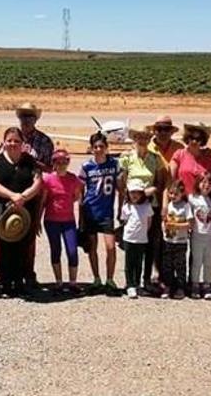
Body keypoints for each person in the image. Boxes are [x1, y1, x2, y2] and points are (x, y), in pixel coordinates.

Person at [0, 127, 43, 297]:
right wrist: (12, 196)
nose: (13, 144)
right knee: (4, 246)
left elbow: (38, 182)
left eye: (16, 141)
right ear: (4, 142)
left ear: (22, 144)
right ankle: (5, 282)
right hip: (2, 212)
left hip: (25, 211)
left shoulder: (29, 161)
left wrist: (24, 197)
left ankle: (19, 282)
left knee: (23, 246)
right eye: (9, 140)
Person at [119, 127, 166, 291]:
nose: (142, 140)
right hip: (132, 204)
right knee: (132, 243)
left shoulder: (155, 158)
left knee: (150, 244)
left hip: (150, 206)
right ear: (135, 139)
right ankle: (131, 280)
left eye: (145, 137)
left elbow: (160, 181)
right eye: (139, 137)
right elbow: (121, 182)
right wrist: (121, 206)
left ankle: (146, 279)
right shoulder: (127, 158)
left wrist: (154, 191)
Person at [14, 103, 54, 287]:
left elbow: (50, 168)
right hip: (12, 190)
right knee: (6, 230)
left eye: (29, 117)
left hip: (34, 191)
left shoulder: (44, 141)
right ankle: (1, 271)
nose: (26, 120)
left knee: (29, 232)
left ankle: (28, 272)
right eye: (23, 117)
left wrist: (32, 161)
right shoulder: (12, 137)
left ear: (36, 119)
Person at [77, 132, 121, 291]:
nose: (98, 149)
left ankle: (110, 279)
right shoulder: (86, 166)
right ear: (91, 148)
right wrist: (80, 212)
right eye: (95, 147)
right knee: (92, 247)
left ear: (106, 147)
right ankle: (96, 278)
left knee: (110, 247)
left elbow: (120, 187)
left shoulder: (114, 164)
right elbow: (80, 190)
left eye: (101, 146)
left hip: (106, 212)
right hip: (90, 210)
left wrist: (121, 207)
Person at [40, 149, 84, 293]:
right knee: (56, 249)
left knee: (72, 251)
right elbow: (43, 201)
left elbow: (76, 197)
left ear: (68, 162)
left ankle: (73, 282)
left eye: (64, 161)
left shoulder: (74, 179)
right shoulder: (47, 179)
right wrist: (37, 221)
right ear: (53, 163)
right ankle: (59, 281)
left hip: (68, 221)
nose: (61, 165)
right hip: (51, 220)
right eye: (58, 162)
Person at [188, 172, 211, 300]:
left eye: (209, 183)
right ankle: (195, 284)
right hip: (197, 233)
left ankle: (207, 284)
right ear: (198, 183)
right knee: (196, 261)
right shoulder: (192, 198)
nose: (206, 185)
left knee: (208, 261)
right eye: (203, 182)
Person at [120, 180, 153, 299]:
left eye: (137, 192)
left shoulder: (147, 206)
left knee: (139, 263)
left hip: (141, 239)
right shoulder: (126, 207)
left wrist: (143, 232)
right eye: (132, 192)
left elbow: (149, 222)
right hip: (129, 238)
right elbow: (124, 221)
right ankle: (130, 285)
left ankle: (137, 284)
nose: (134, 195)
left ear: (142, 194)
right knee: (129, 263)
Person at [161, 181, 192, 299]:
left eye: (176, 194)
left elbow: (190, 224)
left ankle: (180, 288)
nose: (173, 196)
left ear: (182, 193)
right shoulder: (168, 205)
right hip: (168, 240)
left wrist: (176, 226)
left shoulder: (186, 206)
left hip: (181, 241)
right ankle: (168, 286)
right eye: (171, 193)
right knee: (167, 265)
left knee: (180, 265)